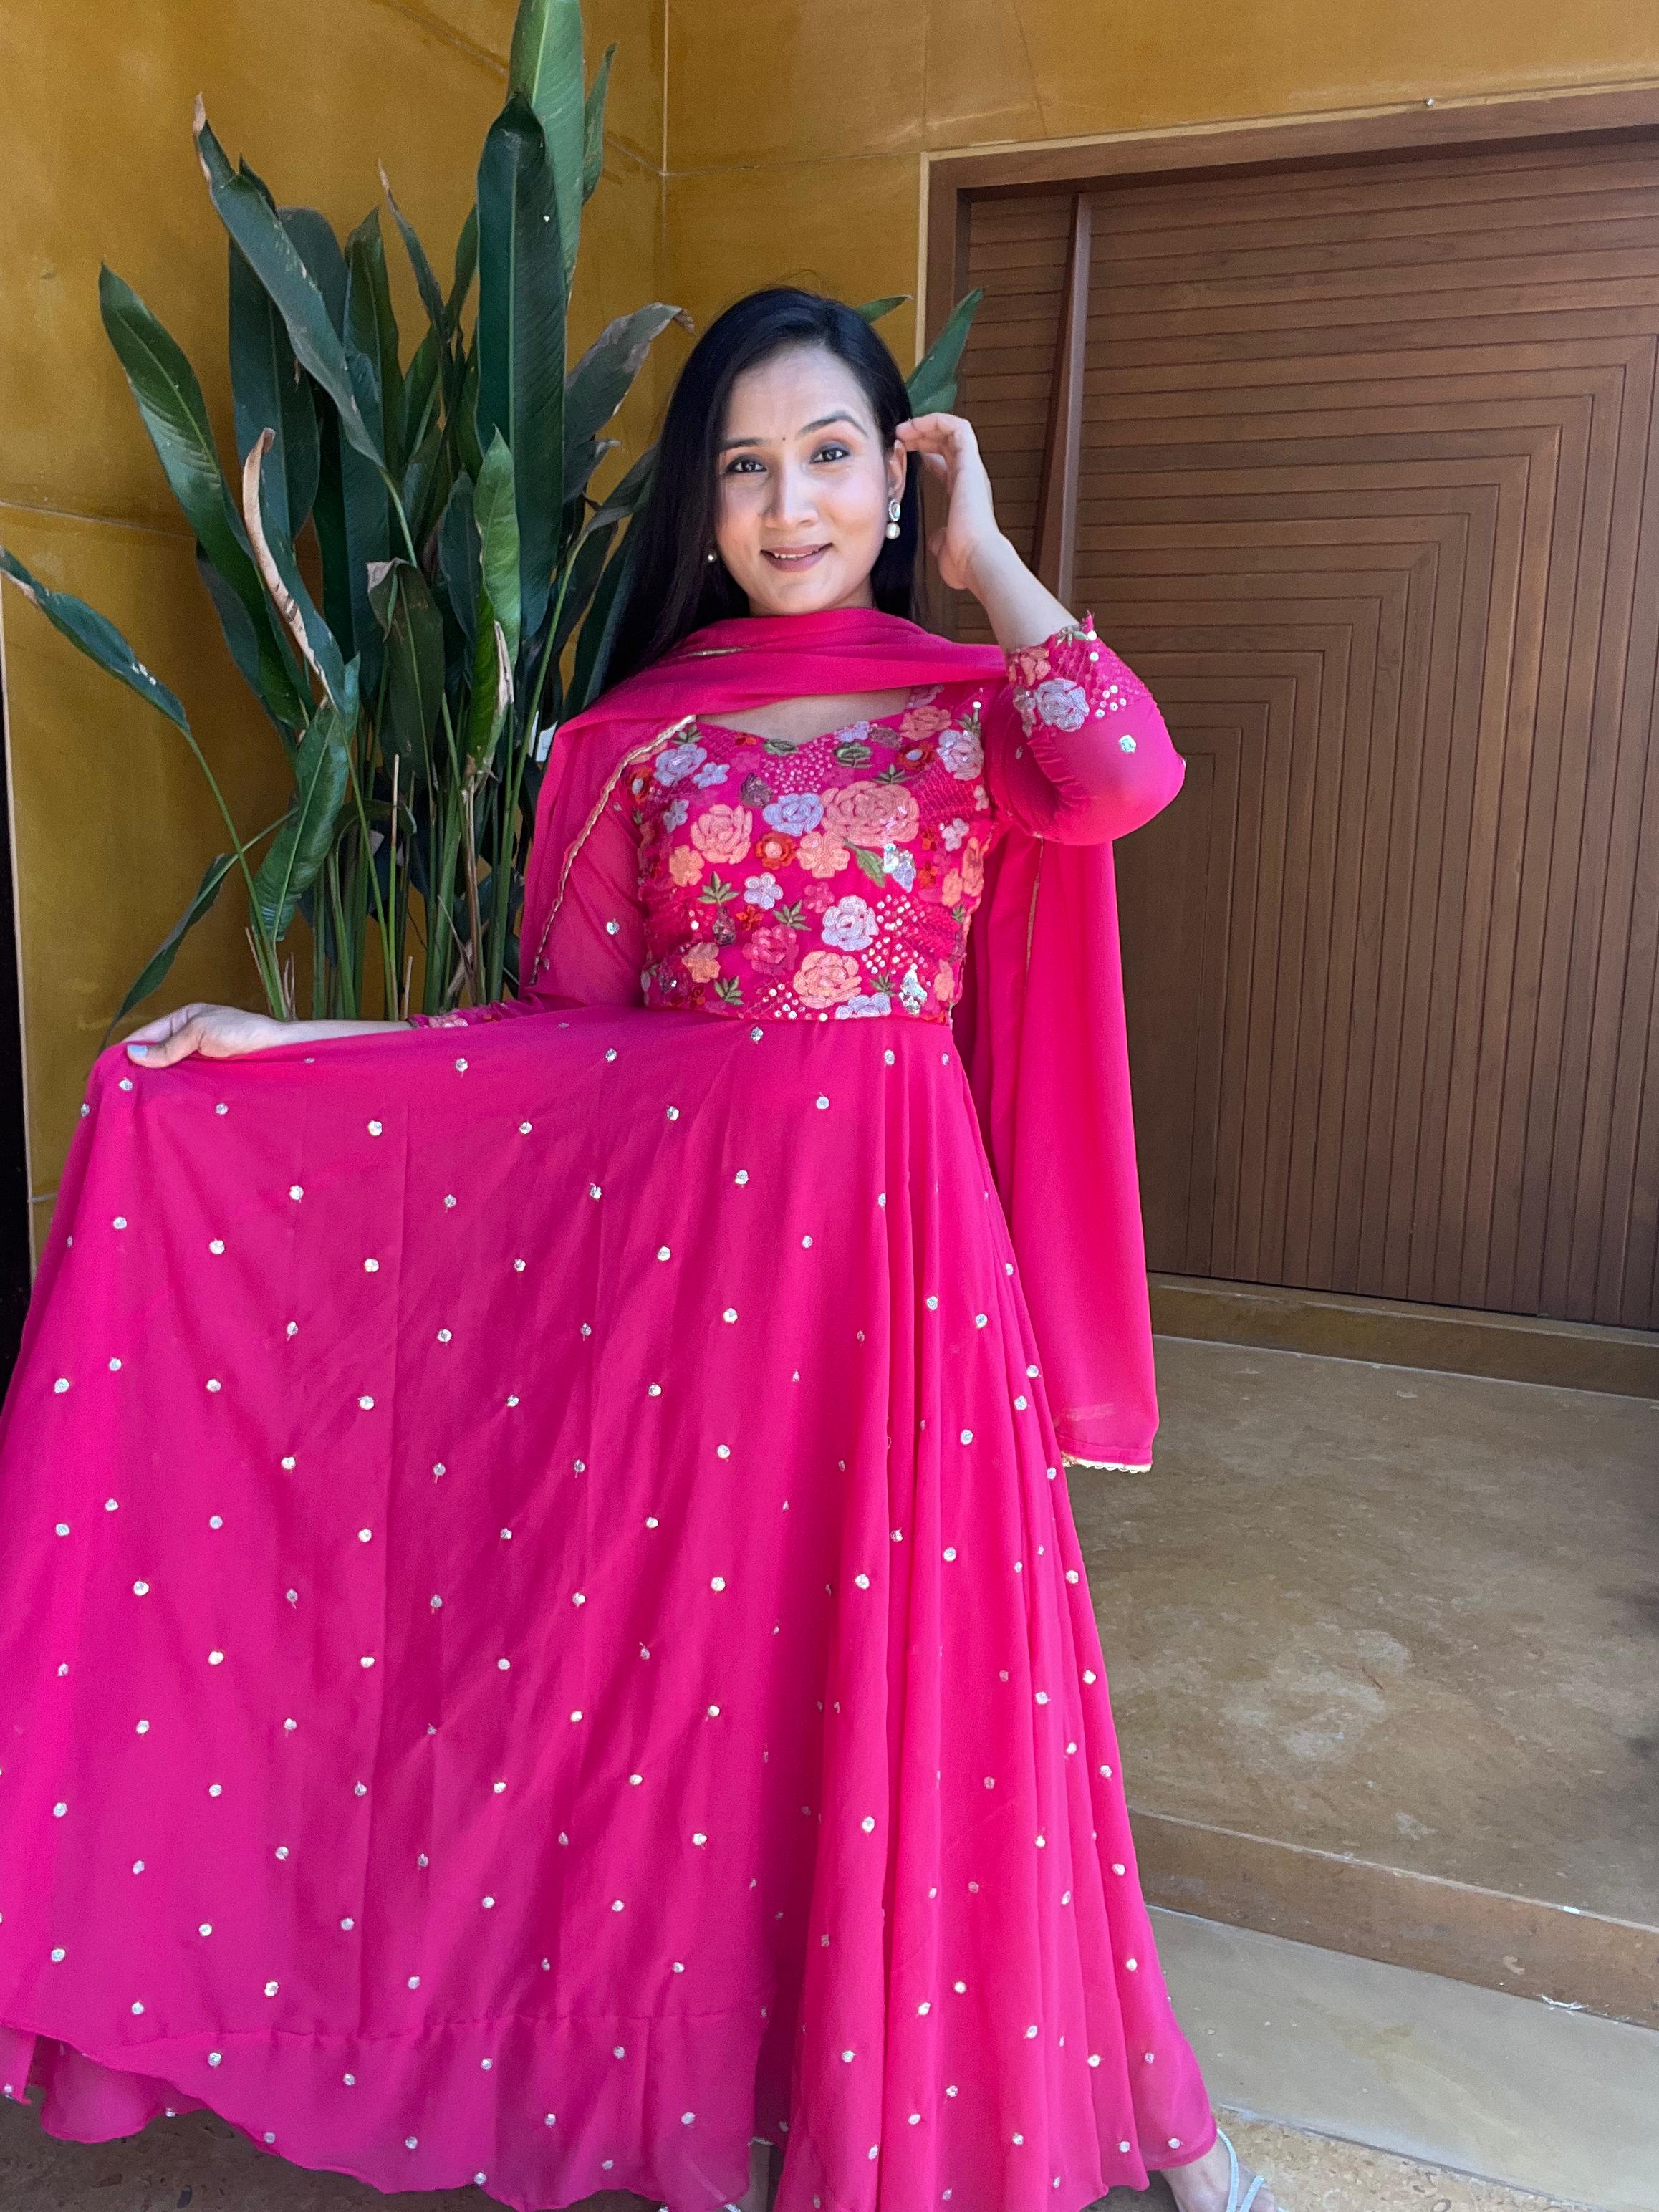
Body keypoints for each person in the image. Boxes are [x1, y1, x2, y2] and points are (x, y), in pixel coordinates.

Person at [0, 288, 1276, 2212]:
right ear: (702, 505)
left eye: (830, 453)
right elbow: (562, 1043)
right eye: (747, 467)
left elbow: (1124, 773)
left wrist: (989, 555)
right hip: (687, 1285)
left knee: (933, 1674)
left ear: (890, 472)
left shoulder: (979, 712)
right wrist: (306, 1047)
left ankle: (983, 2103)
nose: (788, 501)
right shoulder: (629, 741)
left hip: (908, 1266)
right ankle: (706, 2062)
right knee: (687, 1685)